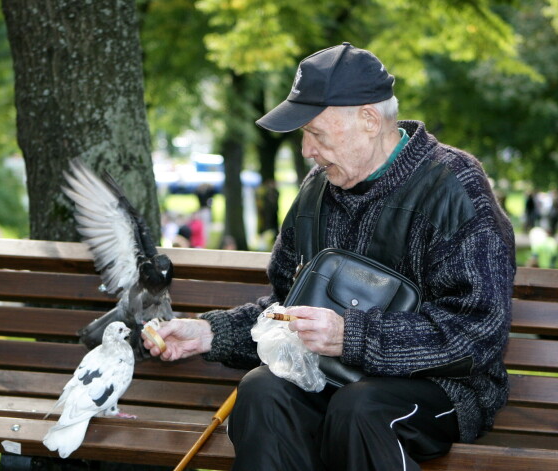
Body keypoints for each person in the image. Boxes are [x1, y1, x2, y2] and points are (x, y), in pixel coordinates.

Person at [143, 43, 516, 471]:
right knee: (262, 391)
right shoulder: (316, 190)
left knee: (362, 409)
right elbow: (286, 309)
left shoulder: (453, 186)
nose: (306, 150)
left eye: (316, 133)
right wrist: (210, 333)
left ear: (370, 121)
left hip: (443, 389)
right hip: (328, 376)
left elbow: (479, 330)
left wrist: (352, 337)